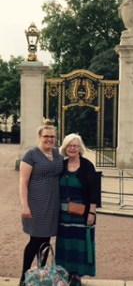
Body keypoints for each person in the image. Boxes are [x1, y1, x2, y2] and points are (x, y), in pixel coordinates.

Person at [18, 120, 63, 286]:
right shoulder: (31, 155)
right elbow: (23, 181)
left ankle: (40, 276)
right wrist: (24, 205)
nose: (49, 139)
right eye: (46, 136)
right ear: (39, 137)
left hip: (53, 204)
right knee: (35, 240)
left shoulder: (58, 154)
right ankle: (24, 278)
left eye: (52, 137)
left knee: (46, 241)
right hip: (36, 203)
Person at [55, 133, 98, 286]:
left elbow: (94, 191)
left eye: (75, 146)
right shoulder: (61, 165)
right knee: (66, 244)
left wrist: (92, 212)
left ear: (80, 148)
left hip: (82, 213)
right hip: (63, 214)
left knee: (80, 244)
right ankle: (66, 272)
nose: (72, 148)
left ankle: (78, 276)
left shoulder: (87, 166)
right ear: (65, 148)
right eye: (69, 146)